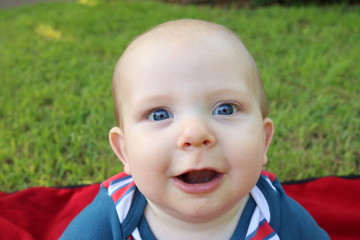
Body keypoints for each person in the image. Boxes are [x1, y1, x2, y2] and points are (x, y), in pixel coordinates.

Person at [60, 19, 329, 239]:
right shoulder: (114, 217)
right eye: (159, 114)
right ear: (124, 151)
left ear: (264, 140)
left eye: (225, 109)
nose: (196, 134)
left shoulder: (272, 211)